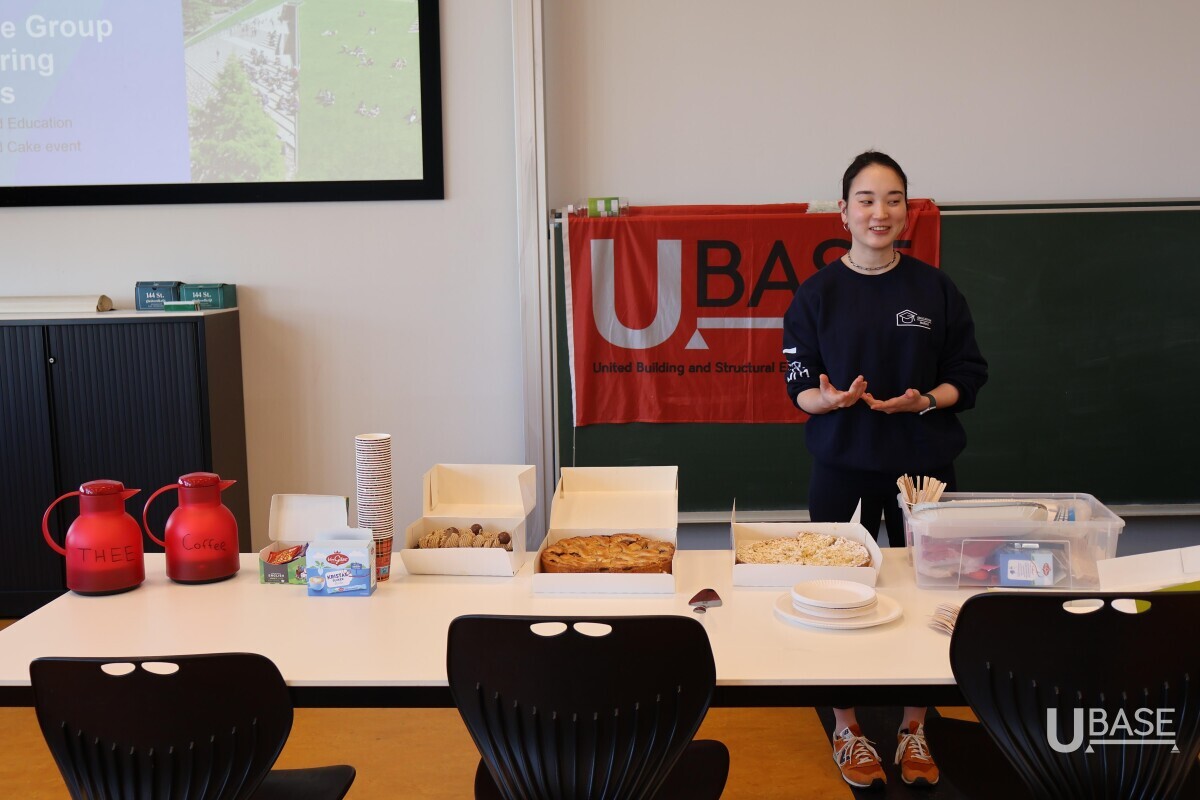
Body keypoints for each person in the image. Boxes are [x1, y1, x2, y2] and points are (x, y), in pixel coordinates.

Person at [782, 151, 988, 790]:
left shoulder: (935, 289)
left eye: (893, 199)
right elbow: (798, 386)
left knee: (930, 594)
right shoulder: (816, 295)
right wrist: (829, 400)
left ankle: (914, 725)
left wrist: (924, 401)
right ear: (843, 212)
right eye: (866, 200)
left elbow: (968, 375)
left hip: (923, 474)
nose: (880, 212)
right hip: (841, 468)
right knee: (835, 595)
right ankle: (846, 727)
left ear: (907, 211)